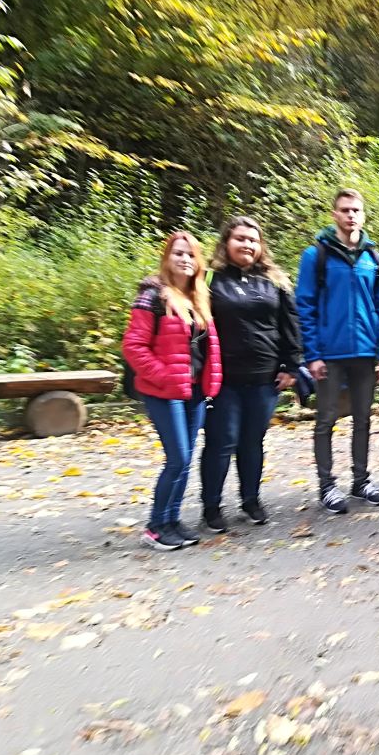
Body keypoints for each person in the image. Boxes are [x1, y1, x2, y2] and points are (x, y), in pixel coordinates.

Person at [198, 216, 302, 533]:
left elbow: (290, 325)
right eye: (240, 238)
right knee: (221, 442)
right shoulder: (209, 280)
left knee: (253, 441)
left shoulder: (275, 281)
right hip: (223, 379)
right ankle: (211, 506)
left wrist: (291, 366)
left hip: (264, 378)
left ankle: (251, 499)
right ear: (226, 243)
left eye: (253, 240)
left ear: (261, 246)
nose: (247, 244)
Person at [296, 188, 379, 515]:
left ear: (363, 215)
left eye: (356, 210)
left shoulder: (374, 259)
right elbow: (305, 306)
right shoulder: (316, 256)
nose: (351, 215)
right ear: (334, 214)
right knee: (326, 420)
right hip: (329, 353)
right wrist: (313, 355)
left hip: (365, 353)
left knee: (363, 419)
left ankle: (361, 481)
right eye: (345, 209)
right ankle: (327, 485)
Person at [122, 232, 222, 551]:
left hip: (193, 390)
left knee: (186, 458)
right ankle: (155, 527)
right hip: (164, 390)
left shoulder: (198, 297)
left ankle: (172, 520)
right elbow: (134, 346)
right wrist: (163, 377)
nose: (185, 260)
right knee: (177, 458)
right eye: (178, 253)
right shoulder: (153, 295)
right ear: (167, 258)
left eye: (191, 255)